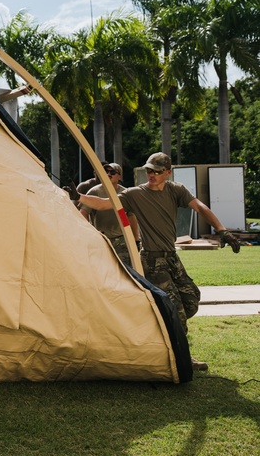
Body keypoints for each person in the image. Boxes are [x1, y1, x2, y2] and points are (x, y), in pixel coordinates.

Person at [76, 152, 241, 371]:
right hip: (152, 260)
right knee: (177, 311)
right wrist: (77, 196)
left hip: (171, 256)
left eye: (157, 171)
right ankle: (182, 359)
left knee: (191, 300)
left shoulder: (177, 190)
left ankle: (159, 337)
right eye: (149, 170)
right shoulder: (135, 194)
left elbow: (199, 206)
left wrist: (222, 231)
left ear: (168, 173)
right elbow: (104, 204)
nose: (152, 174)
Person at [79, 162, 135, 267]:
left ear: (119, 176)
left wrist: (135, 239)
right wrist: (91, 231)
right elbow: (83, 212)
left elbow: (129, 216)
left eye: (112, 172)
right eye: (106, 171)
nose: (108, 174)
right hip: (102, 239)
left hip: (122, 240)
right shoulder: (95, 192)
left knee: (126, 271)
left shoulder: (125, 193)